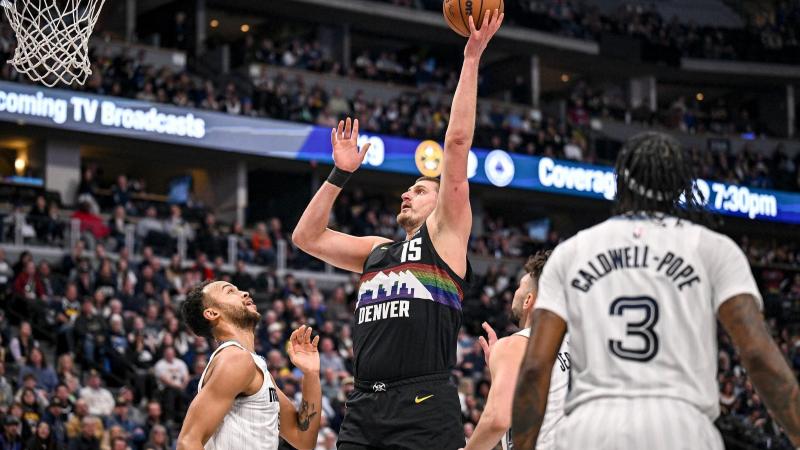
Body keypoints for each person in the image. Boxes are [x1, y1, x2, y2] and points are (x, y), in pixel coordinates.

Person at [292, 10, 503, 450]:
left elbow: (456, 144)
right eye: (407, 190)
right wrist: (339, 174)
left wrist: (471, 58)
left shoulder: (445, 237)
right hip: (364, 406)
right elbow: (306, 238)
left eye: (420, 190)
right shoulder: (377, 251)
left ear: (441, 204)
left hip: (423, 403)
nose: (407, 194)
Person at [512, 132, 800, 448]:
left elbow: (535, 368)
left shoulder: (571, 253)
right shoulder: (713, 248)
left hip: (591, 427)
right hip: (680, 426)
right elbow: (757, 354)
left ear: (621, 184)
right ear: (680, 186)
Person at [177, 280, 322, 450]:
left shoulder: (253, 365)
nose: (244, 293)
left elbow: (303, 439)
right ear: (212, 313)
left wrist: (311, 374)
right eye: (230, 291)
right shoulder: (235, 359)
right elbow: (188, 442)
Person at [464, 251, 568, 450]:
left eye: (520, 286)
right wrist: (499, 370)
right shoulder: (577, 346)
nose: (515, 292)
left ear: (528, 300)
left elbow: (497, 420)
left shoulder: (516, 345)